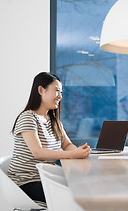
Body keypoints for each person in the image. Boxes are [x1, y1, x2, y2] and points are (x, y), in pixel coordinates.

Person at [7, 72, 90, 207]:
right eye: (56, 90)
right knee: (75, 199)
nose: (60, 96)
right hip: (26, 181)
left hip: (46, 177)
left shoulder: (53, 120)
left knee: (83, 190)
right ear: (41, 90)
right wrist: (72, 154)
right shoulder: (28, 117)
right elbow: (38, 153)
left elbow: (67, 144)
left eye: (61, 92)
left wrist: (79, 152)